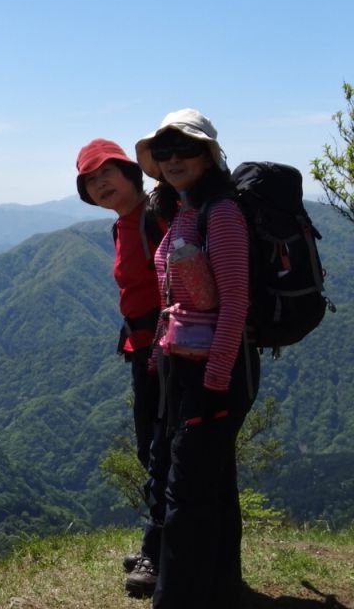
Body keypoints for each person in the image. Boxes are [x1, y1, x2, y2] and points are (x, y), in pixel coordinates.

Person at [135, 109, 260, 609]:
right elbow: (179, 296)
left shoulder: (222, 213)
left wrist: (213, 378)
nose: (172, 159)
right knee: (211, 487)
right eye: (163, 152)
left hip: (214, 372)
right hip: (183, 366)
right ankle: (221, 590)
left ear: (208, 154)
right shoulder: (185, 209)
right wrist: (159, 356)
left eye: (184, 148)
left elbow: (235, 302)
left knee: (184, 494)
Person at [75, 139, 166, 596]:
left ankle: (157, 549)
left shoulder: (158, 215)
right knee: (148, 448)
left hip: (169, 352)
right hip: (141, 349)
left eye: (105, 173)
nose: (99, 184)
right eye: (89, 181)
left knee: (163, 451)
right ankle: (162, 540)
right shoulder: (123, 226)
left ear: (131, 172)